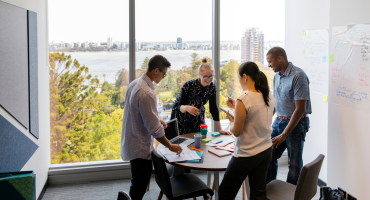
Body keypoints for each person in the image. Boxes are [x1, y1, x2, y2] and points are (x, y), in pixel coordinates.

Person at [120, 55, 183, 200]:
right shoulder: (146, 93)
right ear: (156, 70)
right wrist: (170, 146)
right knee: (138, 188)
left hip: (132, 141)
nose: (163, 77)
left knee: (136, 184)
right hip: (140, 147)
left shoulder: (135, 84)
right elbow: (155, 130)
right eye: (163, 73)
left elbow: (137, 113)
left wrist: (156, 119)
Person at [218, 61, 276, 200]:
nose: (239, 81)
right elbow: (259, 117)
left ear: (244, 77)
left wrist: (232, 120)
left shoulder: (244, 98)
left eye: (239, 78)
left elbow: (236, 131)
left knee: (225, 192)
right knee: (258, 193)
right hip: (266, 151)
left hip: (247, 154)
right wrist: (236, 109)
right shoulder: (269, 95)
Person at [265, 47, 311, 185]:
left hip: (297, 124)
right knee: (268, 155)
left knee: (294, 164)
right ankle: (270, 191)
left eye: (270, 61)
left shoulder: (298, 76)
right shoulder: (277, 75)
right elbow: (276, 101)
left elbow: (300, 109)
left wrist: (284, 134)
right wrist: (266, 121)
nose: (269, 65)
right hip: (279, 121)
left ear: (279, 58)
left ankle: (291, 195)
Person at [170, 58, 231, 135]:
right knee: (184, 141)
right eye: (205, 76)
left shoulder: (211, 86)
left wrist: (220, 129)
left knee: (199, 138)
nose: (208, 79)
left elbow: (213, 109)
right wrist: (187, 108)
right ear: (199, 75)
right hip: (182, 115)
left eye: (211, 76)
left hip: (197, 114)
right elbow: (179, 107)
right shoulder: (188, 85)